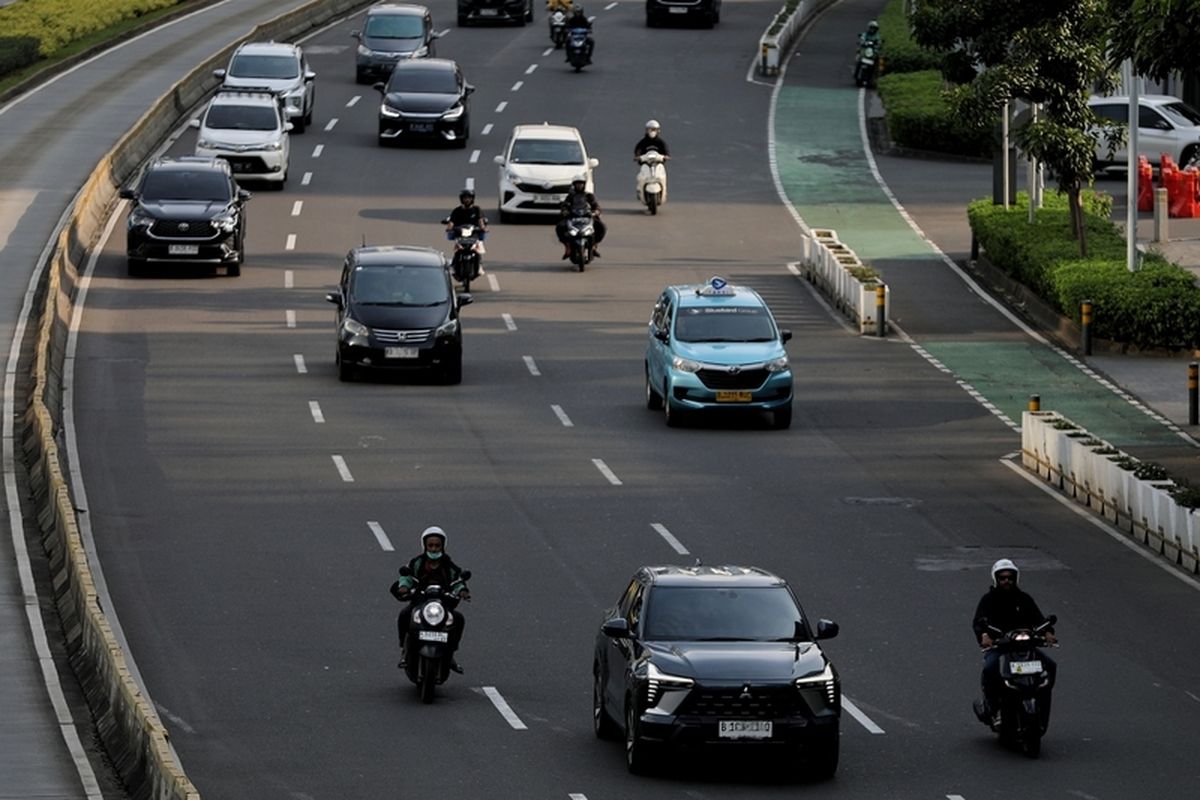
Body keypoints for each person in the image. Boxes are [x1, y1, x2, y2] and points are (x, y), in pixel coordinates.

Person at [972, 559, 1056, 724]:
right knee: (990, 668)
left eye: (1010, 577)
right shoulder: (988, 599)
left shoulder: (1024, 599)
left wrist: (1047, 632)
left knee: (1051, 665)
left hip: (1025, 646)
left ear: (1015, 578)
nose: (1006, 581)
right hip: (1000, 647)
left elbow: (1038, 619)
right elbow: (978, 622)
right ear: (996, 579)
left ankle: (1042, 699)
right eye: (1002, 578)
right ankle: (992, 707)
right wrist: (984, 636)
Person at [390, 526, 471, 673]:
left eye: (437, 545)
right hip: (420, 601)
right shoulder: (416, 563)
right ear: (425, 546)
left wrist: (462, 591)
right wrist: (404, 587)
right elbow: (407, 577)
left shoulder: (449, 565)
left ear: (443, 546)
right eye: (431, 545)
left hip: (443, 604)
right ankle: (404, 650)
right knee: (405, 614)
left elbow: (457, 581)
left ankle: (451, 653)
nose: (434, 549)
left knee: (458, 619)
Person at [556, 175, 605, 258]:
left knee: (602, 227)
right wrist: (565, 211)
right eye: (577, 184)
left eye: (581, 184)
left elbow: (596, 205)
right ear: (574, 185)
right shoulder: (570, 196)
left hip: (587, 217)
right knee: (560, 227)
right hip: (573, 218)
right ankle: (568, 247)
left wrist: (596, 211)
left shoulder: (589, 195)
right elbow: (564, 206)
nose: (579, 186)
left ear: (584, 185)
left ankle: (594, 246)